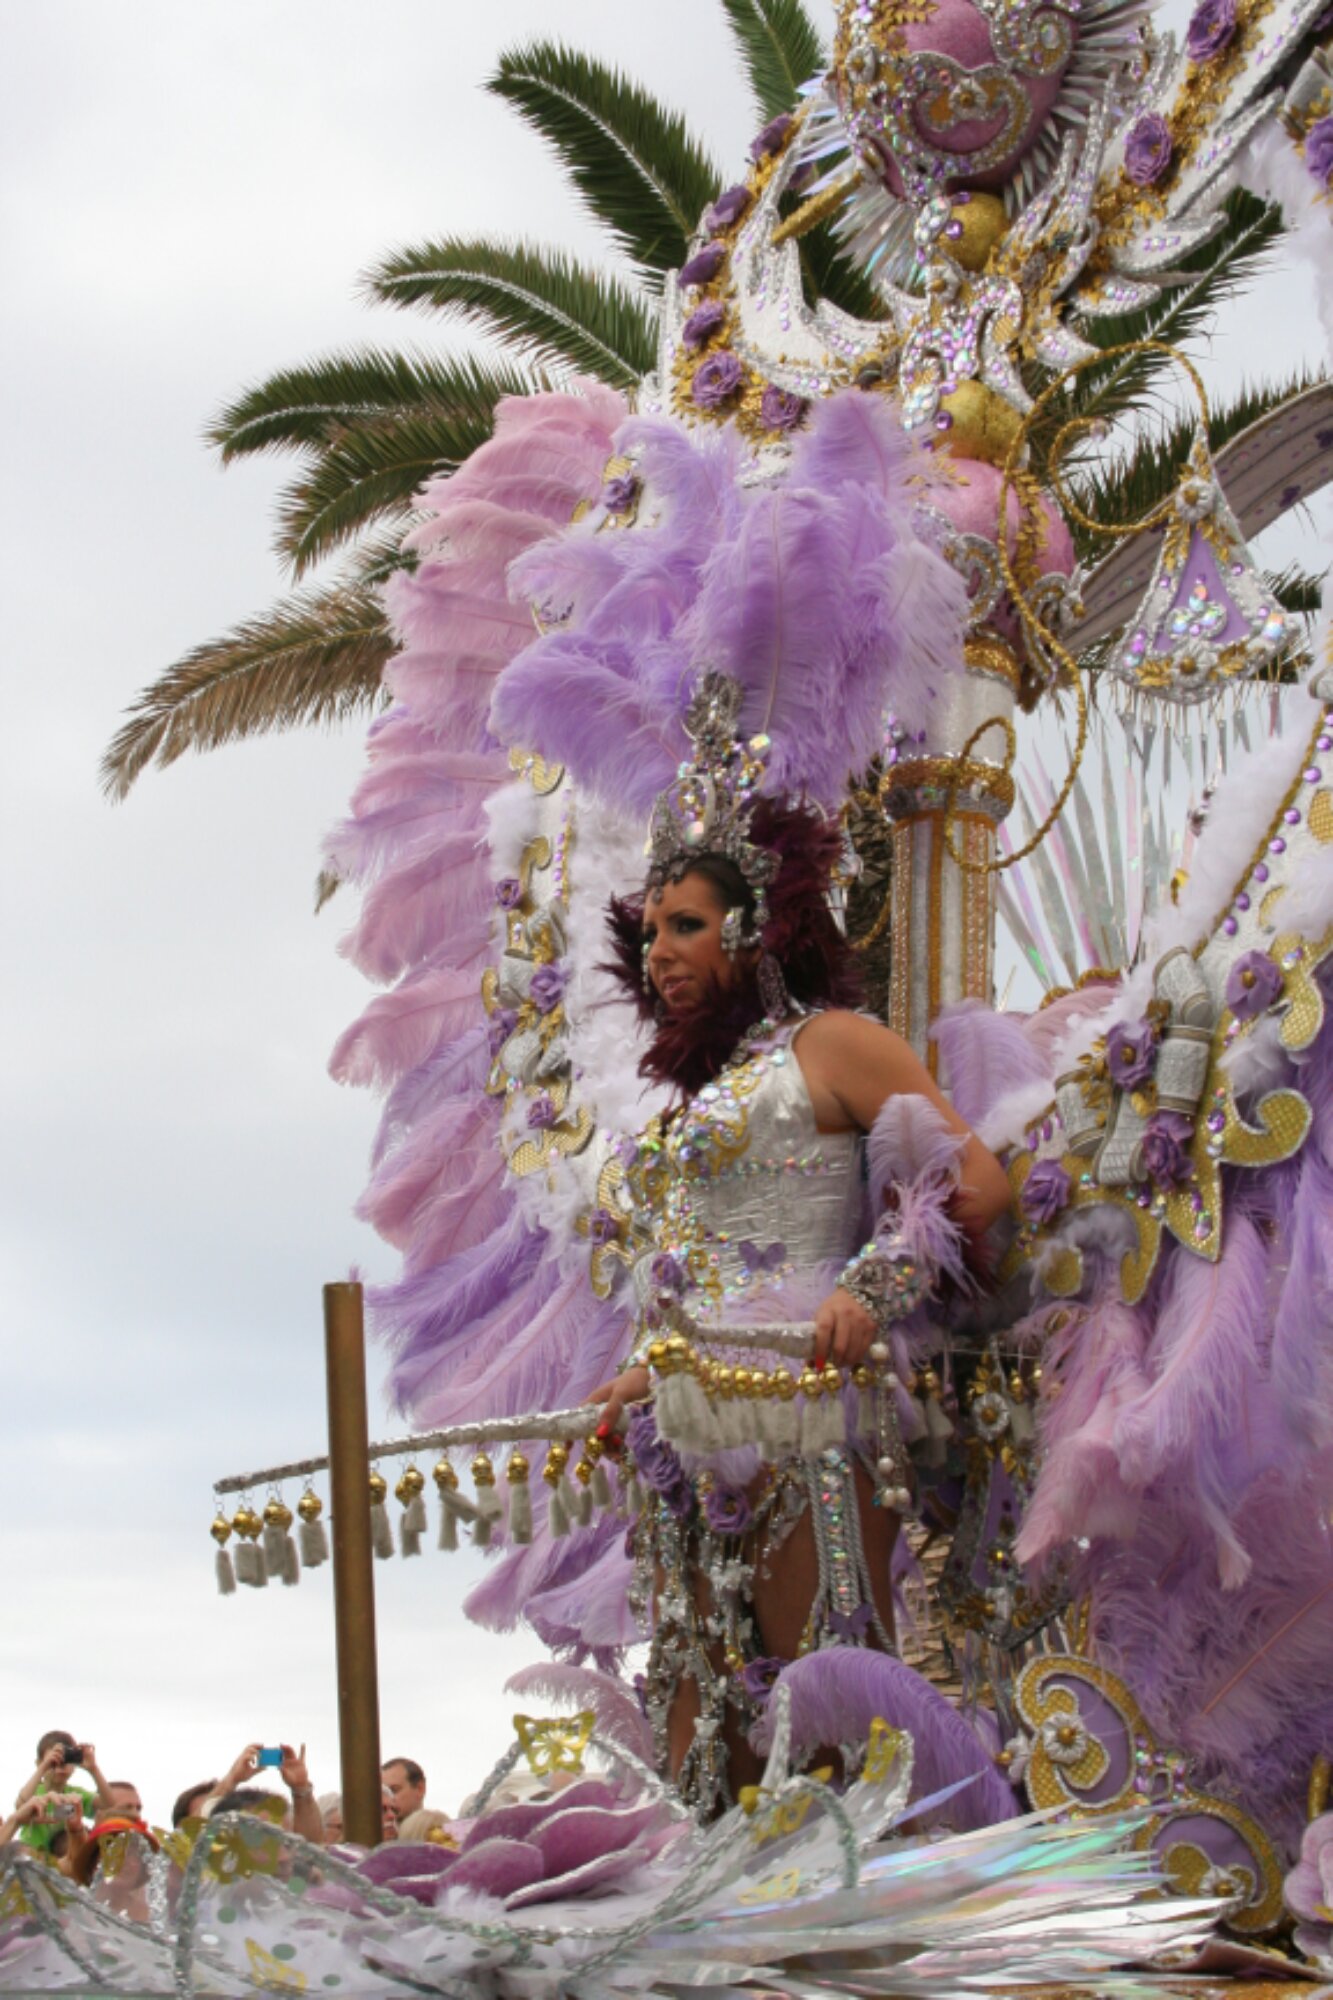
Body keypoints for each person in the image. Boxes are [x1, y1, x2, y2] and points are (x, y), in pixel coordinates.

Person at [587, 677, 1014, 1816]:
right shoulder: (694, 1104)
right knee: (702, 1750)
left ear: (755, 924)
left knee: (819, 1720)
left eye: (686, 923)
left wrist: (874, 1285)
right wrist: (642, 1371)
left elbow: (970, 1178)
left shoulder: (832, 1043)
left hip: (814, 1417)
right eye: (651, 930)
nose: (661, 949)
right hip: (687, 1434)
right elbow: (704, 1265)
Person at [12, 1734, 113, 1852]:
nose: (60, 1767)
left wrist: (93, 1769)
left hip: (63, 1859)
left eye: (66, 1761)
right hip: (32, 1858)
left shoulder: (76, 1795)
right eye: (54, 1762)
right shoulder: (33, 1792)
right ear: (39, 1763)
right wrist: (43, 1767)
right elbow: (20, 1807)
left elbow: (109, 1806)